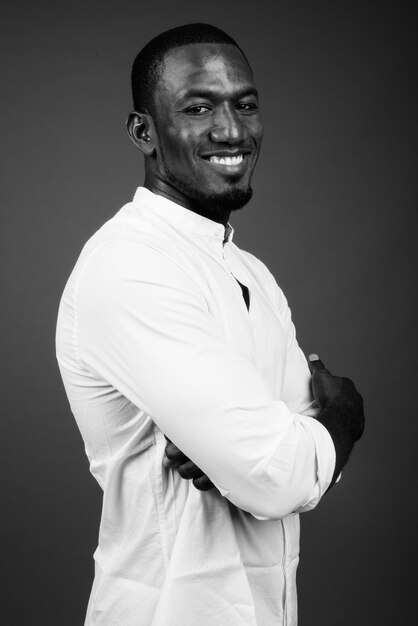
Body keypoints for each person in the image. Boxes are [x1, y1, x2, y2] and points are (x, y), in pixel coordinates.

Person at [56, 23, 364, 626]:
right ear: (143, 131)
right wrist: (345, 420)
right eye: (198, 108)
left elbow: (275, 454)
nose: (231, 131)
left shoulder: (253, 273)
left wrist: (254, 444)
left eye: (244, 105)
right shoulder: (131, 264)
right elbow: (277, 473)